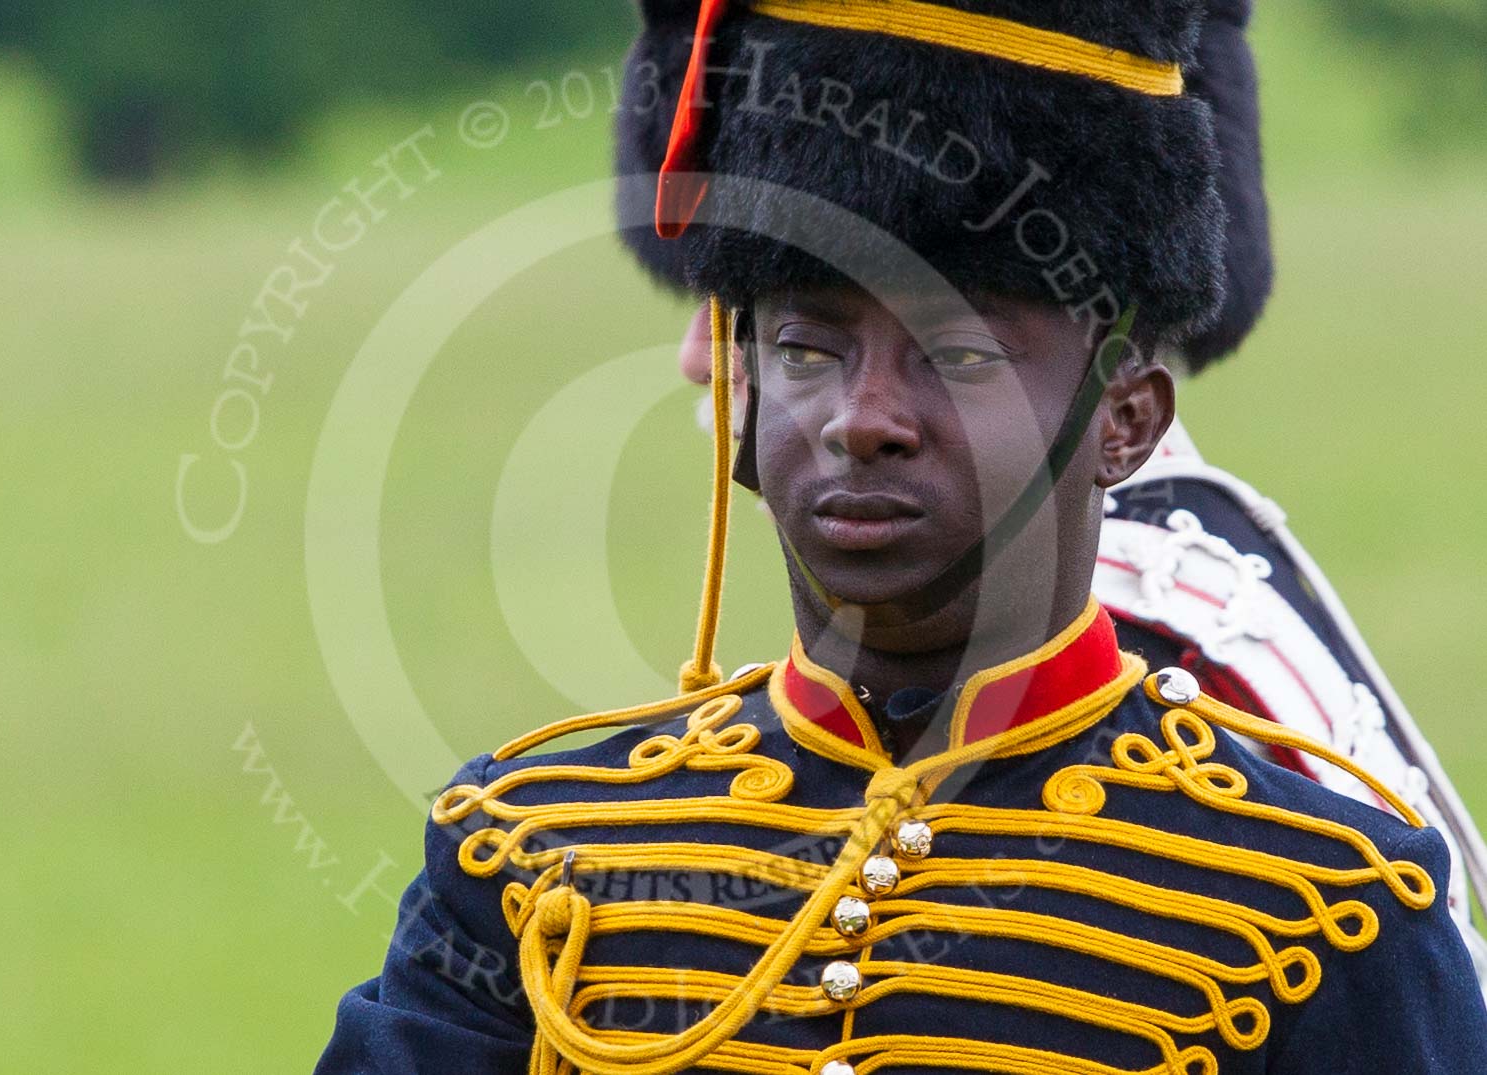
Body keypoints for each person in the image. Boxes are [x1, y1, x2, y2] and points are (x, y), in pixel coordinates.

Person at [316, 0, 1487, 1071]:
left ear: (1125, 421)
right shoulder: (524, 858)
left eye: (960, 353)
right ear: (742, 405)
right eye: (807, 351)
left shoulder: (1327, 912)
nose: (863, 418)